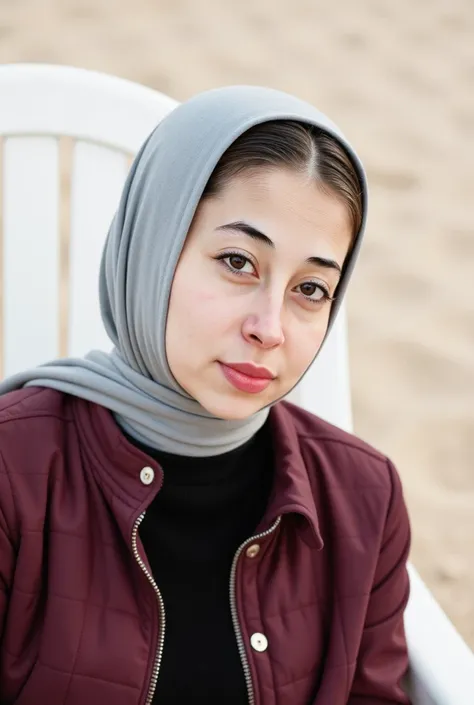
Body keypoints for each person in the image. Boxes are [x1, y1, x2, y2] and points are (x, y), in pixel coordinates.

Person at [0, 86, 411, 705]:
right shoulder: (13, 470)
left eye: (311, 289)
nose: (269, 328)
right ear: (154, 247)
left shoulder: (364, 498)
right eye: (238, 261)